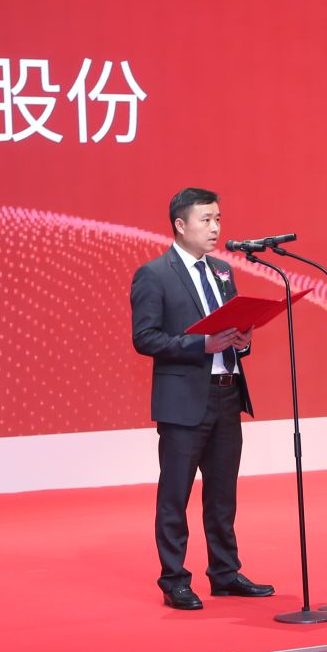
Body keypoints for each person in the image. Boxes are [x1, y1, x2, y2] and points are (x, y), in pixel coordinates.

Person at [130, 188, 275, 609]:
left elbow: (231, 327)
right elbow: (145, 337)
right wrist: (202, 345)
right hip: (183, 401)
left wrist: (243, 340)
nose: (215, 228)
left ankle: (225, 573)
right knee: (175, 493)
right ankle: (174, 579)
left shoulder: (222, 271)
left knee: (223, 493)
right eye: (206, 220)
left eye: (218, 219)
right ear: (180, 224)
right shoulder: (154, 274)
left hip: (228, 394)